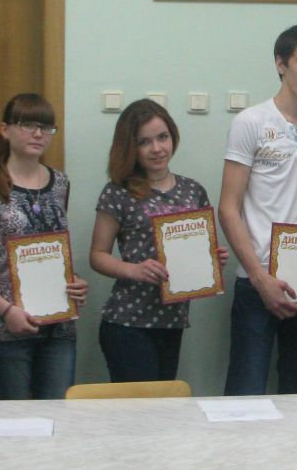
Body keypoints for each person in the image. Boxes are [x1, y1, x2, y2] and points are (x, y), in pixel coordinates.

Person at [220, 22, 297, 395]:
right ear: (280, 64)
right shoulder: (251, 122)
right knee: (245, 395)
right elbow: (228, 207)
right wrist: (260, 278)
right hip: (257, 280)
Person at [0, 93, 88, 399]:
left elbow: (54, 250)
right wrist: (6, 311)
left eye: (46, 127)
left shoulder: (61, 183)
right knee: (13, 421)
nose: (38, 134)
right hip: (6, 327)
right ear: (5, 130)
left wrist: (75, 282)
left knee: (56, 417)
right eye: (28, 125)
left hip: (58, 329)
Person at [89, 99, 229, 382]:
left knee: (165, 404)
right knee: (142, 407)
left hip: (172, 322)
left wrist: (212, 262)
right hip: (128, 322)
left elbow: (200, 252)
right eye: (144, 142)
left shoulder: (193, 191)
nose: (157, 148)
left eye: (162, 137)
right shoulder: (117, 191)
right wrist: (134, 270)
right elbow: (97, 255)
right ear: (131, 147)